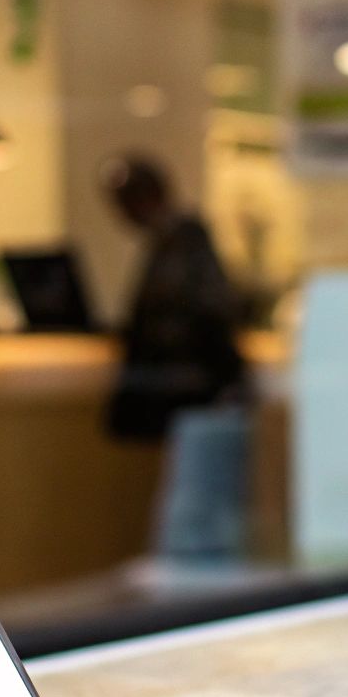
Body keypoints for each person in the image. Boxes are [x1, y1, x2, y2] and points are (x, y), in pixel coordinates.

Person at [100, 155, 252, 561]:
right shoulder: (169, 241)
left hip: (194, 396)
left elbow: (206, 316)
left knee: (195, 499)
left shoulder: (185, 240)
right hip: (189, 395)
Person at [100, 155, 249, 442]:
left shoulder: (186, 238)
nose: (122, 214)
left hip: (186, 389)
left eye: (126, 202)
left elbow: (209, 311)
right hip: (181, 388)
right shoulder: (166, 241)